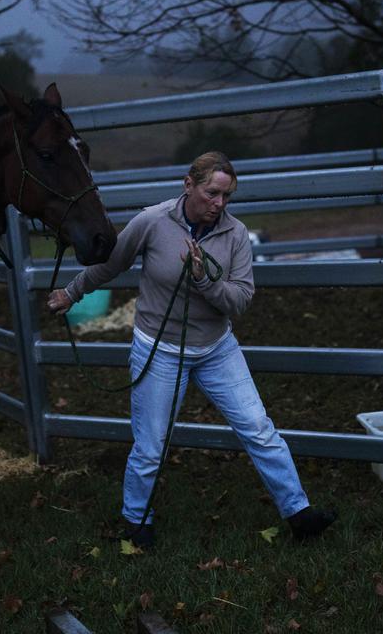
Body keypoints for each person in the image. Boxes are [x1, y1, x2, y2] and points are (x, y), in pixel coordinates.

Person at [47, 151, 336, 547]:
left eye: (227, 196)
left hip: (217, 348)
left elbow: (240, 300)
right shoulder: (152, 221)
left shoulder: (235, 234)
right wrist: (72, 291)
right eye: (212, 193)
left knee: (258, 428)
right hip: (159, 349)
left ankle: (299, 513)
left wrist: (203, 280)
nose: (219, 204)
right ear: (189, 185)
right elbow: (111, 265)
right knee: (151, 445)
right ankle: (137, 521)